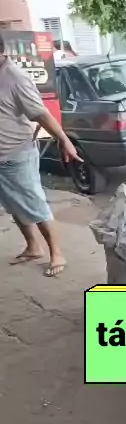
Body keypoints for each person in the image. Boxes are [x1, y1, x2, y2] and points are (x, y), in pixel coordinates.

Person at [0, 34, 81, 276]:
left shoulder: (15, 78)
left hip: (17, 155)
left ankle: (57, 253)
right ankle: (33, 247)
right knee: (14, 205)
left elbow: (41, 114)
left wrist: (64, 140)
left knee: (34, 205)